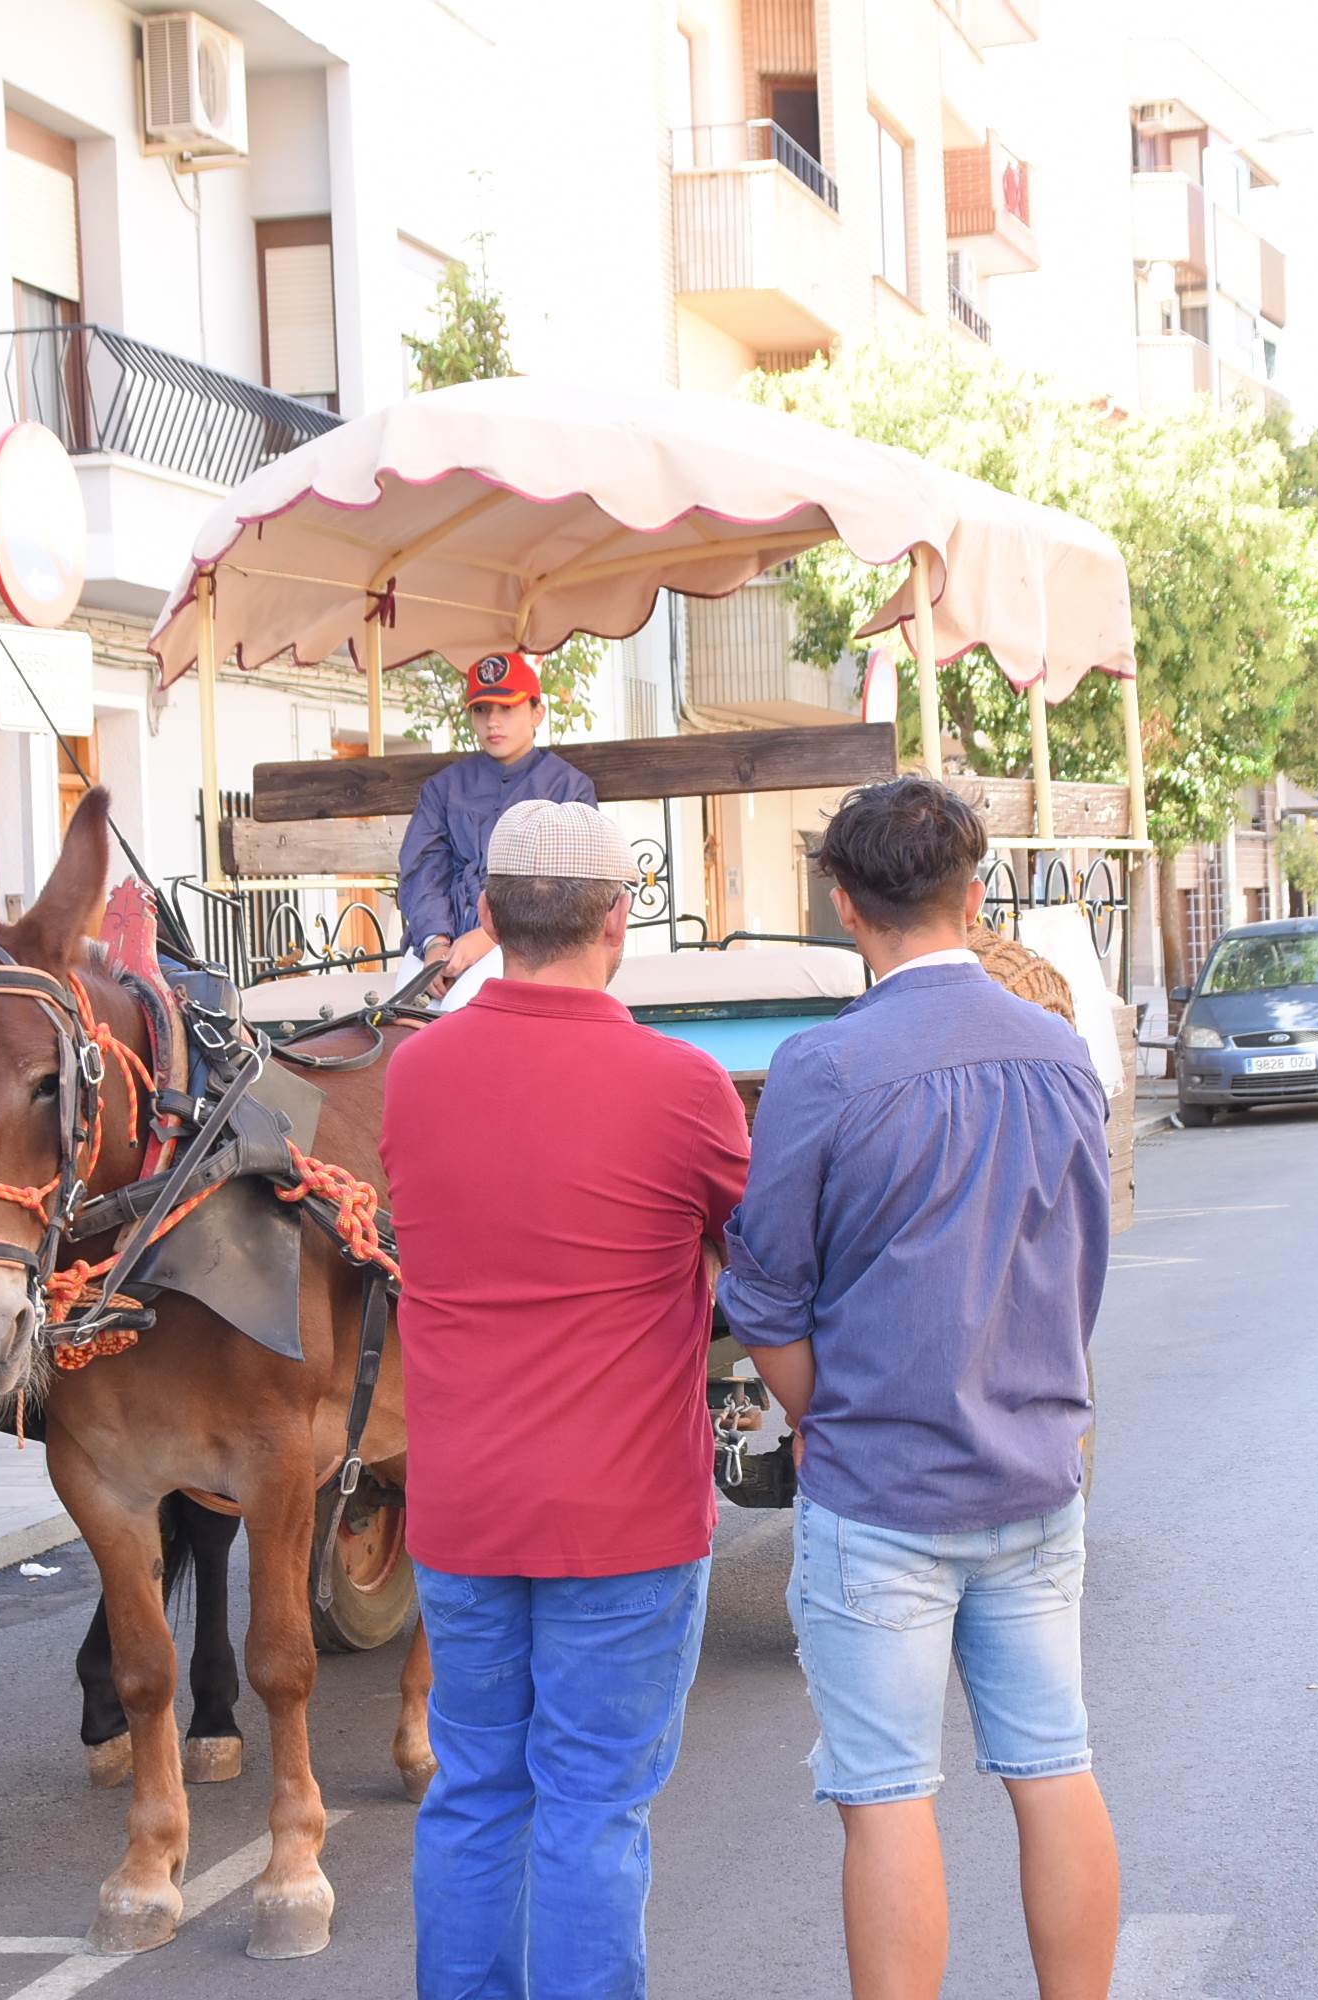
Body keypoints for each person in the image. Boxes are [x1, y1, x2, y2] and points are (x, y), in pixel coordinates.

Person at [720, 776, 1121, 2000]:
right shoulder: (1060, 1053)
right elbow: (1083, 1264)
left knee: (887, 1797)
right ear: (975, 892)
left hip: (878, 1486)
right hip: (1035, 1473)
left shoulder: (823, 1067)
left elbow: (766, 1295)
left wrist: (817, 1415)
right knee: (1054, 1765)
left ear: (844, 904)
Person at [380, 797, 750, 2000]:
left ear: (484, 917)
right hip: (624, 1518)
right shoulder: (682, 1085)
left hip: (463, 1508)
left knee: (477, 1788)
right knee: (594, 1807)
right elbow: (760, 1255)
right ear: (619, 920)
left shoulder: (416, 1073)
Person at [396, 650, 596, 1005]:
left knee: (464, 1014)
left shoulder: (567, 788)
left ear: (537, 712)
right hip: (439, 948)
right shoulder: (444, 787)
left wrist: (490, 936)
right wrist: (435, 942)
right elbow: (423, 869)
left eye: (507, 708)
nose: (492, 722)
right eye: (481, 709)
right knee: (401, 1018)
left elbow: (568, 886)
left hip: (525, 946)